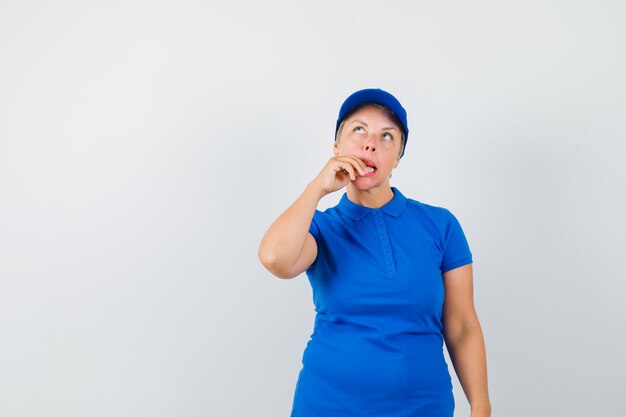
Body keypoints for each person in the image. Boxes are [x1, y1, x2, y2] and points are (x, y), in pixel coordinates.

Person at [258, 88, 491, 417]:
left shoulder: (440, 225)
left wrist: (481, 406)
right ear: (336, 147)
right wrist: (318, 187)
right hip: (327, 405)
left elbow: (462, 325)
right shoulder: (320, 228)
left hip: (423, 406)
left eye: (387, 136)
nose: (371, 143)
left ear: (397, 157)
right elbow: (275, 259)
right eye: (358, 130)